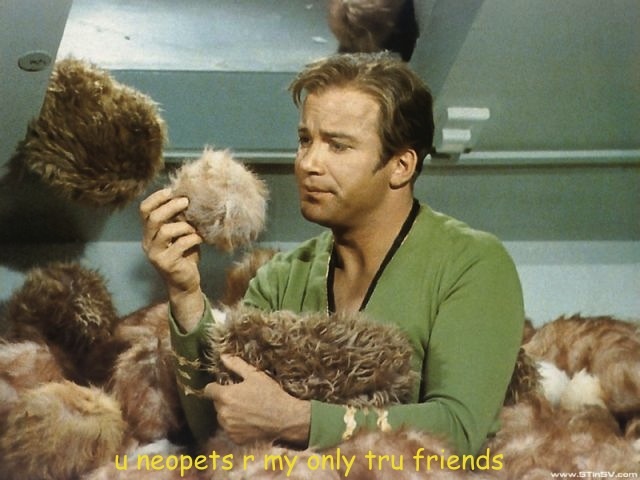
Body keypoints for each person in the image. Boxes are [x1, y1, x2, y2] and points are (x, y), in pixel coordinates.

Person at [140, 52, 524, 456]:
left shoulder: (473, 263)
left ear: (401, 165)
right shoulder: (280, 278)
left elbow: (459, 429)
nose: (308, 163)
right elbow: (220, 430)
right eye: (305, 140)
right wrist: (185, 293)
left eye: (338, 146)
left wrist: (298, 419)